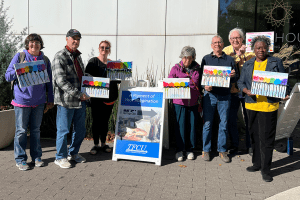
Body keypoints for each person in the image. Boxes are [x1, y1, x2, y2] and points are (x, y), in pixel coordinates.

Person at [237, 35, 289, 182]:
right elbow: (241, 83)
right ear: (253, 49)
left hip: (268, 105)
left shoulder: (275, 61)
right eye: (258, 47)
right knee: (254, 135)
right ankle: (257, 163)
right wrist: (246, 91)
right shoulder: (247, 64)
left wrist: (284, 93)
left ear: (268, 48)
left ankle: (266, 170)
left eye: (264, 47)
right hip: (251, 104)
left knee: (267, 138)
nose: (261, 50)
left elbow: (284, 83)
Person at [5, 33, 54, 171]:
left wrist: (50, 99)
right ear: (28, 45)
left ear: (40, 45)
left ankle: (37, 157)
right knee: (21, 131)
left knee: (36, 131)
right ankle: (20, 159)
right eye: (31, 43)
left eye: (37, 42)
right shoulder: (20, 56)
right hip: (22, 101)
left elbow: (49, 81)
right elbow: (7, 76)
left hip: (38, 102)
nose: (34, 45)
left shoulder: (44, 59)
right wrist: (20, 68)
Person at [51, 29, 90, 168]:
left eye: (78, 39)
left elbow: (81, 76)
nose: (76, 41)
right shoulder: (60, 56)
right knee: (63, 130)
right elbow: (61, 82)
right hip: (66, 101)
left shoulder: (78, 56)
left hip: (81, 101)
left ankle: (73, 153)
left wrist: (92, 83)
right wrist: (79, 94)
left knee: (80, 130)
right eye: (73, 38)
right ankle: (60, 157)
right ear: (66, 39)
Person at [201, 35, 237, 163]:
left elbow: (235, 77)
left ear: (223, 44)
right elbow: (201, 78)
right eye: (215, 42)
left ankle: (222, 150)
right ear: (211, 45)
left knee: (224, 124)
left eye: (219, 42)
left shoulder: (229, 59)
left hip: (225, 96)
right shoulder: (205, 59)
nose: (217, 44)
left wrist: (233, 76)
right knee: (208, 124)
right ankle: (206, 150)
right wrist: (204, 86)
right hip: (209, 95)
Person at [223, 28, 255, 154]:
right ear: (229, 40)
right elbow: (225, 66)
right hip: (232, 91)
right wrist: (238, 56)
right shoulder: (226, 50)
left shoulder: (251, 51)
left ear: (242, 39)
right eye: (233, 38)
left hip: (247, 91)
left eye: (238, 38)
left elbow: (253, 69)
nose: (235, 40)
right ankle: (235, 145)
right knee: (232, 119)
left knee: (249, 119)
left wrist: (244, 57)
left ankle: (250, 146)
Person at [85, 40, 120, 154]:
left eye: (107, 48)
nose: (104, 50)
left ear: (109, 50)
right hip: (96, 97)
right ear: (99, 48)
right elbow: (87, 77)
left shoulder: (113, 64)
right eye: (102, 47)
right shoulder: (93, 61)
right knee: (96, 121)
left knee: (105, 121)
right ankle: (95, 144)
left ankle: (104, 144)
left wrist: (121, 71)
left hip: (110, 98)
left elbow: (118, 80)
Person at [168, 46, 201, 161]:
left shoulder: (198, 69)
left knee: (192, 126)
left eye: (189, 58)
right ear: (181, 57)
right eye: (185, 58)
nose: (187, 61)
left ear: (193, 58)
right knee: (180, 126)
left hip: (193, 102)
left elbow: (200, 84)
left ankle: (190, 149)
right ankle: (179, 150)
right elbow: (169, 84)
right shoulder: (175, 69)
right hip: (179, 102)